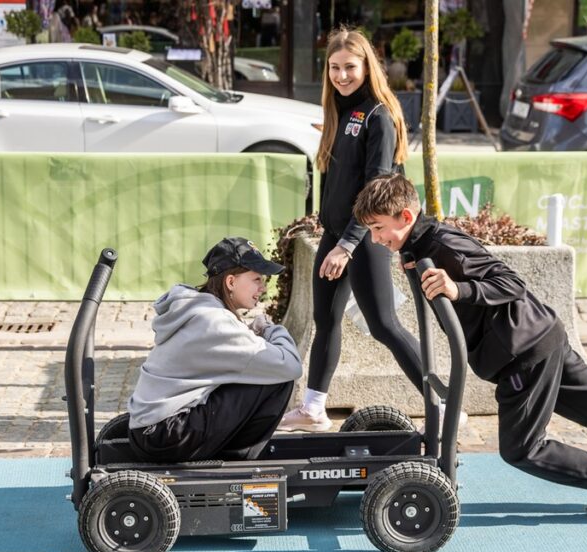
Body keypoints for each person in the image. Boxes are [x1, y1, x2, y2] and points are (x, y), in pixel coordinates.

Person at [351, 173, 587, 523]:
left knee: (522, 449)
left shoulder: (443, 243)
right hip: (537, 338)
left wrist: (459, 289)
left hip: (523, 352)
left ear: (405, 216)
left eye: (378, 228)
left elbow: (510, 282)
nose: (375, 238)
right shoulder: (416, 244)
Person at [278, 28, 424, 433]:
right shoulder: (340, 111)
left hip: (365, 237)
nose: (341, 76)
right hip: (337, 234)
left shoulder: (379, 115)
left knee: (384, 325)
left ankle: (443, 400)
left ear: (367, 67)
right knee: (325, 320)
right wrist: (330, 230)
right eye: (334, 67)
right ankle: (313, 409)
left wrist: (346, 245)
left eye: (350, 67)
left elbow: (376, 189)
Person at [126, 237, 302, 463]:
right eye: (257, 279)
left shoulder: (199, 308)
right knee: (278, 378)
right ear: (231, 282)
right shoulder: (216, 322)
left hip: (150, 431)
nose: (263, 288)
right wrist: (271, 329)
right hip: (165, 438)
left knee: (263, 371)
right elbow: (291, 365)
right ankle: (238, 462)